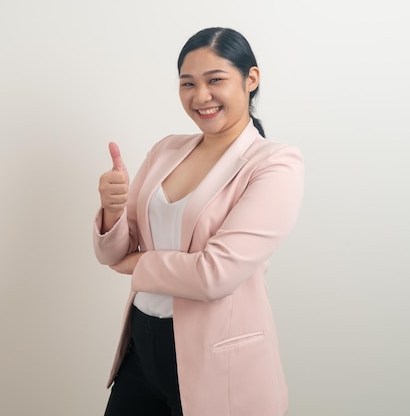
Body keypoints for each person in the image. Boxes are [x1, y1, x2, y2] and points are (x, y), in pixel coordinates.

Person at [92, 27, 304, 416]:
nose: (200, 96)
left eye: (215, 80)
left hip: (217, 358)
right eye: (187, 83)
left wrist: (141, 264)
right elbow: (115, 252)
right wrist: (112, 209)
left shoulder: (275, 164)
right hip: (141, 348)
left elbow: (215, 275)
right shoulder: (166, 149)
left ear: (251, 79)